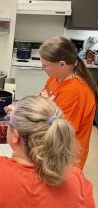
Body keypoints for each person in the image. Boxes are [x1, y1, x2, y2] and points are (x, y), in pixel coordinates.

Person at [39, 36, 98, 169]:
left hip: (63, 159)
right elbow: (40, 105)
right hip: (49, 149)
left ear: (62, 64)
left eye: (45, 66)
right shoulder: (54, 79)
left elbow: (60, 132)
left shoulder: (76, 92)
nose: (43, 69)